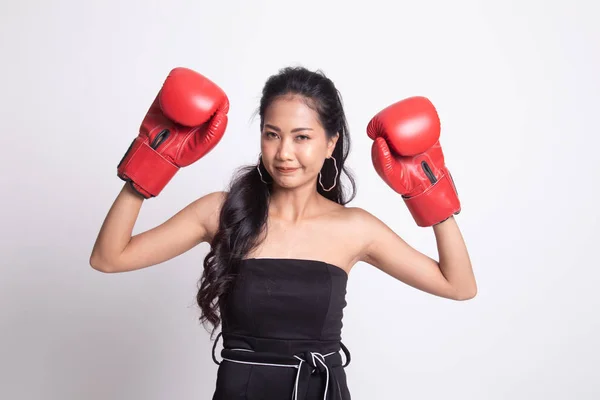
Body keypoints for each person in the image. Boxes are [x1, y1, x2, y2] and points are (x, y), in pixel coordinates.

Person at [90, 66, 477, 400]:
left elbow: (458, 285)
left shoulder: (355, 228)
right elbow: (109, 257)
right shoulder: (222, 211)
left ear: (331, 143)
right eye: (272, 134)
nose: (284, 153)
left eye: (302, 137)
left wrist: (428, 191)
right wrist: (147, 167)